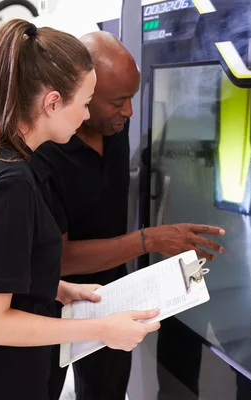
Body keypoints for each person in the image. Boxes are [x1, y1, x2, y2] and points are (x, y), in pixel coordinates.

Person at [0, 20, 160, 400]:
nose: (87, 117)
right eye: (84, 104)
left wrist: (55, 288)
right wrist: (101, 328)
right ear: (52, 102)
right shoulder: (9, 184)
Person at [35, 31, 226, 400]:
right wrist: (150, 239)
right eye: (118, 101)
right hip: (52, 297)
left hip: (114, 292)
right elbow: (61, 258)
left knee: (107, 390)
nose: (130, 112)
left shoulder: (114, 128)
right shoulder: (46, 151)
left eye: (133, 99)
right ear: (83, 97)